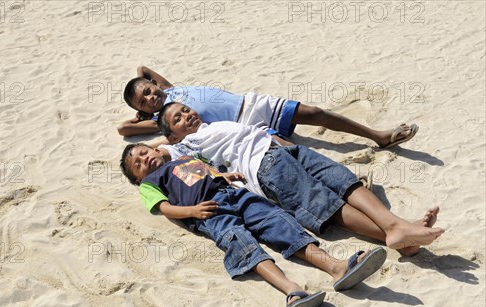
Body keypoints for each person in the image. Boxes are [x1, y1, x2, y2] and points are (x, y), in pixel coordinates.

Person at [120, 143, 389, 307]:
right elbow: (165, 207)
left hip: (234, 194)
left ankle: (336, 267)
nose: (145, 159)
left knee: (278, 223)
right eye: (138, 164)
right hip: (211, 212)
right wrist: (191, 211)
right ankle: (292, 291)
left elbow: (209, 171)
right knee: (244, 246)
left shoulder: (182, 158)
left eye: (144, 152)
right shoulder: (150, 184)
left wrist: (225, 176)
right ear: (138, 179)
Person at [155, 102, 444, 256]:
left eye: (185, 110)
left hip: (285, 150)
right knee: (326, 205)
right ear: (172, 136)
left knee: (343, 181)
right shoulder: (184, 147)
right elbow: (155, 152)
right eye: (177, 120)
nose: (185, 116)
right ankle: (396, 233)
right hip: (264, 169)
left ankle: (400, 229)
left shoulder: (212, 123)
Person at [118, 66, 418, 149]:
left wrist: (149, 88)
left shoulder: (171, 88)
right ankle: (345, 183)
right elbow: (123, 129)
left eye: (148, 91)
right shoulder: (166, 119)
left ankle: (377, 135)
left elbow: (144, 67)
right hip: (243, 126)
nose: (150, 98)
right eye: (143, 101)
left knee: (315, 113)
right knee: (290, 151)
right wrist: (145, 115)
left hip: (252, 102)